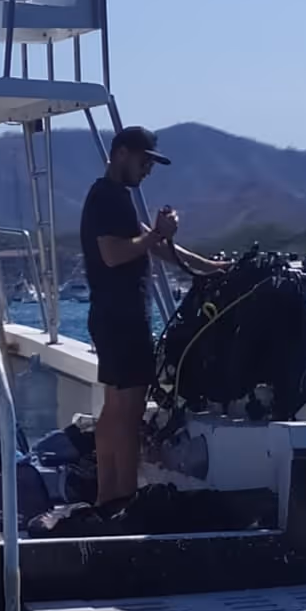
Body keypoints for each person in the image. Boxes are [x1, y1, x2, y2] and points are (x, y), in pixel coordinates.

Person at [80, 126, 229, 507]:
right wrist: (156, 235)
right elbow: (114, 254)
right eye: (144, 161)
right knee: (127, 415)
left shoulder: (114, 197)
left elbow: (155, 246)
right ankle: (124, 502)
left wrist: (209, 267)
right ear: (121, 154)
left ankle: (107, 500)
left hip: (112, 318)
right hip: (123, 319)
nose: (148, 169)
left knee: (114, 409)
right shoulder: (108, 198)